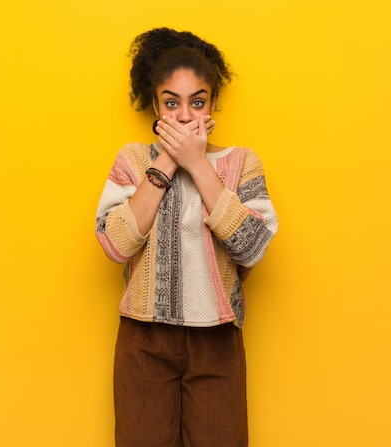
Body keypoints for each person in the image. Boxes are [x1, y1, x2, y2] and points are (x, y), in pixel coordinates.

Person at [95, 27, 278, 447]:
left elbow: (254, 246)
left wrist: (198, 164)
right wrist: (167, 163)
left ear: (212, 104)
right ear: (155, 105)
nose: (183, 115)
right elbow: (113, 243)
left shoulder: (242, 163)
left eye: (197, 102)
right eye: (171, 102)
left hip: (217, 341)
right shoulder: (134, 160)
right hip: (144, 341)